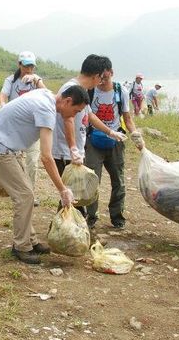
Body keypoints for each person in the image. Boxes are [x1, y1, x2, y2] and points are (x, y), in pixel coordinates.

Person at [0, 86, 86, 265]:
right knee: (24, 195)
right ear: (67, 101)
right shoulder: (47, 110)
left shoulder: (47, 97)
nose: (73, 116)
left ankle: (31, 239)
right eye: (75, 111)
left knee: (26, 193)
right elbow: (46, 157)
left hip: (6, 146)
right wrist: (63, 190)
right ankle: (21, 246)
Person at [51, 55, 124, 218]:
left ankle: (69, 234)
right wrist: (72, 149)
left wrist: (110, 132)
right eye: (100, 78)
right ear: (95, 76)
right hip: (65, 152)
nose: (100, 82)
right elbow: (68, 119)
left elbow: (90, 116)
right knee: (72, 195)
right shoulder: (71, 88)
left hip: (74, 151)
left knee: (73, 196)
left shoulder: (82, 91)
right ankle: (71, 235)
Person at [84, 65, 145, 229]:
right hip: (93, 140)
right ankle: (91, 215)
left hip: (116, 141)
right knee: (91, 179)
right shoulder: (90, 91)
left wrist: (135, 136)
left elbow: (127, 118)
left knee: (118, 180)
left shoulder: (120, 91)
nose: (102, 81)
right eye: (99, 78)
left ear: (112, 73)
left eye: (106, 77)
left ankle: (117, 216)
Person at [0, 51, 47, 203]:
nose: (28, 69)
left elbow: (46, 94)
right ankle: (19, 192)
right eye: (26, 66)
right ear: (19, 65)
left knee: (32, 162)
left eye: (31, 66)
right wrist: (2, 105)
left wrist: (36, 80)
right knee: (16, 162)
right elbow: (3, 95)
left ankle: (30, 194)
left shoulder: (36, 80)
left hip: (33, 127)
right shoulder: (11, 80)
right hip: (15, 128)